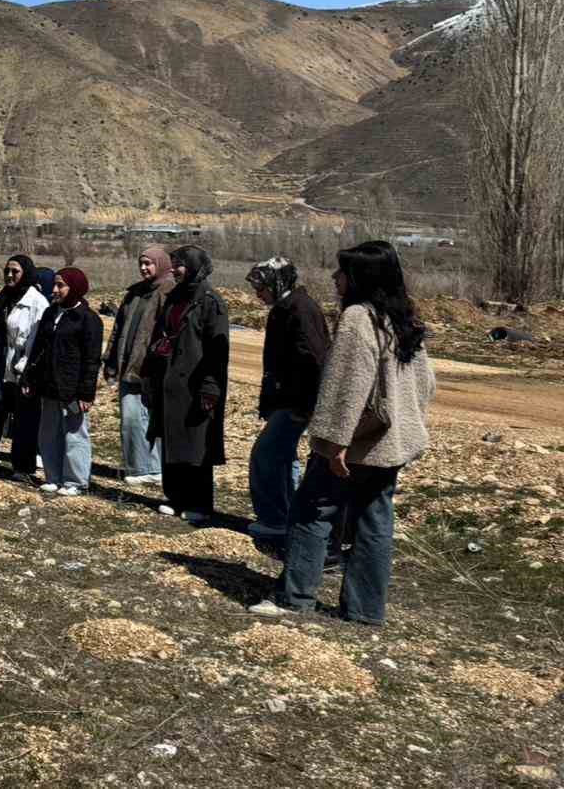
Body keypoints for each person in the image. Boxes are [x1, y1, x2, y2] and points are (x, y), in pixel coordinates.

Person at [251, 241, 434, 625]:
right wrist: (407, 426)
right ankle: (366, 610)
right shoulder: (401, 318)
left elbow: (345, 387)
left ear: (360, 277)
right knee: (373, 521)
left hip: (352, 445)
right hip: (391, 443)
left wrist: (334, 444)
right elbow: (425, 385)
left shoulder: (357, 318)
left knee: (311, 513)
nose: (335, 278)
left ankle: (294, 597)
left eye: (341, 271)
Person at [245, 257, 331, 543]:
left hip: (297, 403)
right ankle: (287, 516)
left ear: (276, 282)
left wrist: (303, 406)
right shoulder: (287, 307)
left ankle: (275, 519)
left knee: (266, 456)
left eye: (261, 286)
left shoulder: (299, 309)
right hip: (289, 400)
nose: (258, 294)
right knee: (282, 458)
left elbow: (313, 360)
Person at [144, 245, 230, 523]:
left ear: (194, 266)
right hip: (170, 382)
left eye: (179, 265)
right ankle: (176, 496)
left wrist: (210, 387)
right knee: (172, 441)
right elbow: (161, 333)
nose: (174, 270)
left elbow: (218, 352)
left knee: (196, 445)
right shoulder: (174, 297)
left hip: (195, 385)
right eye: (173, 265)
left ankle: (200, 503)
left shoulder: (210, 301)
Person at [25, 267, 103, 494]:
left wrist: (86, 393)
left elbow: (91, 360)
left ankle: (75, 481)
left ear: (75, 288)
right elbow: (38, 349)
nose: (55, 290)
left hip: (72, 387)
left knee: (74, 434)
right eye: (55, 285)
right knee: (48, 433)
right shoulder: (50, 314)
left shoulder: (88, 319)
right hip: (49, 384)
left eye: (61, 285)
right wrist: (30, 376)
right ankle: (53, 476)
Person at [103, 246, 175, 486]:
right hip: (130, 367)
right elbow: (118, 330)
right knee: (132, 419)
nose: (144, 268)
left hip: (154, 369)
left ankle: (154, 467)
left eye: (149, 263)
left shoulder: (170, 291)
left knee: (153, 419)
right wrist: (110, 361)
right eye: (141, 263)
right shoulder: (134, 293)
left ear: (161, 263)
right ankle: (139, 467)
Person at [0, 254, 48, 477]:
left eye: (15, 271)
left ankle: (22, 468)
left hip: (23, 367)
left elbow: (36, 339)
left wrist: (26, 367)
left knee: (24, 419)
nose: (10, 275)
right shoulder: (3, 298)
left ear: (26, 273)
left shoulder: (37, 302)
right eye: (7, 271)